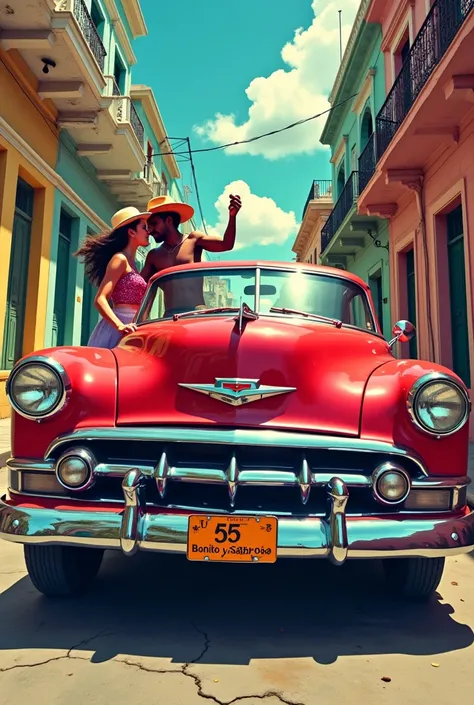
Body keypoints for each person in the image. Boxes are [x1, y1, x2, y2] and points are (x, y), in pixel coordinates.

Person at [140, 193, 241, 314]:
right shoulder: (153, 256)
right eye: (148, 226)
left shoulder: (193, 240)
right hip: (170, 317)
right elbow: (138, 287)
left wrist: (232, 217)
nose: (150, 230)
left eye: (154, 224)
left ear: (168, 220)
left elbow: (226, 245)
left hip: (197, 314)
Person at [74, 206, 151, 348]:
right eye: (144, 227)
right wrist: (120, 326)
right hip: (118, 328)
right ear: (131, 232)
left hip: (134, 327)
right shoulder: (120, 259)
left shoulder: (132, 262)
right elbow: (100, 299)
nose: (149, 231)